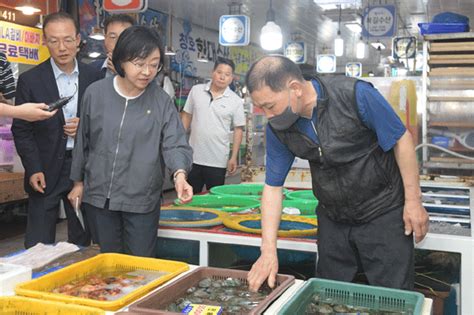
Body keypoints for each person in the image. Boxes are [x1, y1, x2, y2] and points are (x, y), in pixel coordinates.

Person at [245, 56, 429, 291]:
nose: (268, 115)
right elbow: (272, 187)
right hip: (333, 218)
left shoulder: (354, 95)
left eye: (270, 106)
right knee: (330, 294)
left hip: (383, 211)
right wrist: (268, 250)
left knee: (392, 294)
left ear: (295, 89)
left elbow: (401, 140)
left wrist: (413, 202)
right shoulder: (279, 128)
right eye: (263, 108)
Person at [68, 26, 193, 257]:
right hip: (99, 198)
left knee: (140, 266)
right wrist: (78, 183)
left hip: (141, 200)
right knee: (109, 264)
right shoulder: (95, 94)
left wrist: (180, 175)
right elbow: (82, 142)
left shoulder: (161, 102)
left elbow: (175, 142)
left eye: (154, 64)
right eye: (139, 63)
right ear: (122, 60)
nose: (147, 71)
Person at [12, 12, 102, 248]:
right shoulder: (30, 80)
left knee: (82, 239)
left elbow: (105, 124)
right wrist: (33, 168)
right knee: (38, 243)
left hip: (84, 167)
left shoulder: (95, 77)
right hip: (45, 168)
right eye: (53, 40)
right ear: (44, 41)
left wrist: (85, 126)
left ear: (78, 39)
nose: (62, 47)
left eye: (68, 39)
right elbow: (21, 129)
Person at [181, 57, 245, 193]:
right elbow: (186, 115)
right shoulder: (196, 91)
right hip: (193, 158)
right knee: (190, 197)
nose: (222, 77)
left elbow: (238, 129)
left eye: (227, 75)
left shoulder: (236, 101)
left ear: (231, 78)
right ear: (212, 72)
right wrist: (180, 143)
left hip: (218, 160)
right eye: (219, 72)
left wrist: (233, 157)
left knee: (216, 198)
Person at [91, 14, 135, 78]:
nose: (118, 42)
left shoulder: (143, 70)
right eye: (113, 37)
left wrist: (121, 74)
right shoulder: (91, 68)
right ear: (105, 39)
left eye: (124, 37)